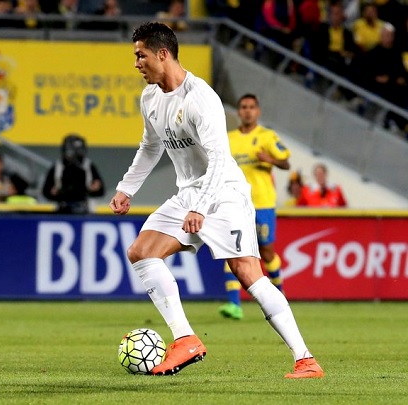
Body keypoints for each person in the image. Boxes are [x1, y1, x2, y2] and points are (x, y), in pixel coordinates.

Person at [109, 22, 323, 378]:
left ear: (162, 54)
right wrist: (126, 188)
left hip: (224, 194)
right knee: (141, 252)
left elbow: (220, 160)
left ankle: (305, 359)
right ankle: (186, 339)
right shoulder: (149, 98)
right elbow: (150, 146)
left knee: (248, 272)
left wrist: (199, 207)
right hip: (190, 191)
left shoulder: (201, 98)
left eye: (140, 55)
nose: (136, 63)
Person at [219, 94, 291, 321]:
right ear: (238, 112)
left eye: (251, 107)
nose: (247, 111)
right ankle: (234, 304)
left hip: (262, 204)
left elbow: (286, 163)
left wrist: (270, 160)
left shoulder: (267, 137)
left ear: (257, 111)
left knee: (267, 251)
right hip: (236, 204)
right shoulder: (227, 139)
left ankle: (279, 294)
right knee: (233, 250)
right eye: (243, 107)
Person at [42, 134, 105, 214]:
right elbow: (46, 192)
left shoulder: (88, 166)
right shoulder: (58, 167)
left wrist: (93, 189)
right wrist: (55, 193)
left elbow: (100, 190)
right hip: (61, 207)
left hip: (85, 206)